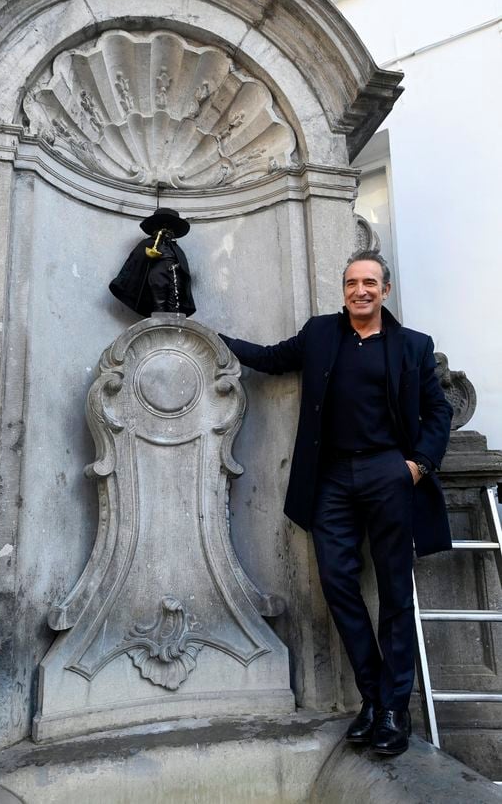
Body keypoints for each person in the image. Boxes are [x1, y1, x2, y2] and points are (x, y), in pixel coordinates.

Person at [220, 250, 452, 755]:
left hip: (390, 473)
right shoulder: (321, 334)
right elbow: (269, 357)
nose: (360, 291)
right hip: (331, 480)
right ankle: (374, 698)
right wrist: (211, 340)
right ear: (343, 289)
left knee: (394, 592)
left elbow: (438, 411)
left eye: (370, 283)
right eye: (352, 283)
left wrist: (417, 465)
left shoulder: (413, 346)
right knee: (338, 582)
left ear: (385, 290)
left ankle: (394, 710)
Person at [109, 207, 196, 316]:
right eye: (163, 226)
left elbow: (183, 265)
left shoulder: (176, 248)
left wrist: (181, 270)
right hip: (158, 274)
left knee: (174, 303)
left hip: (174, 274)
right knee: (159, 302)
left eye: (169, 227)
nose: (166, 229)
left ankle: (174, 323)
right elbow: (136, 260)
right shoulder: (149, 243)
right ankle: (159, 321)